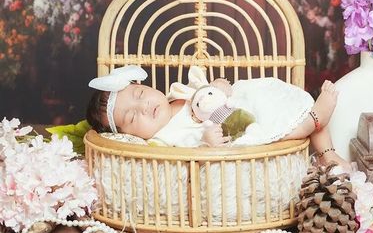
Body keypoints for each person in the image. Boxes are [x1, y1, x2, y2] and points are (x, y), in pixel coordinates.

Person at [86, 65, 350, 170]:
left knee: (276, 100)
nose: (144, 107)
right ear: (129, 136)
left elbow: (206, 94)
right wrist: (207, 143)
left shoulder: (173, 96)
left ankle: (328, 154)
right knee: (269, 131)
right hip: (236, 133)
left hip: (239, 103)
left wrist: (218, 86)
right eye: (132, 118)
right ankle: (314, 120)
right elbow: (185, 159)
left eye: (140, 94)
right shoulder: (162, 140)